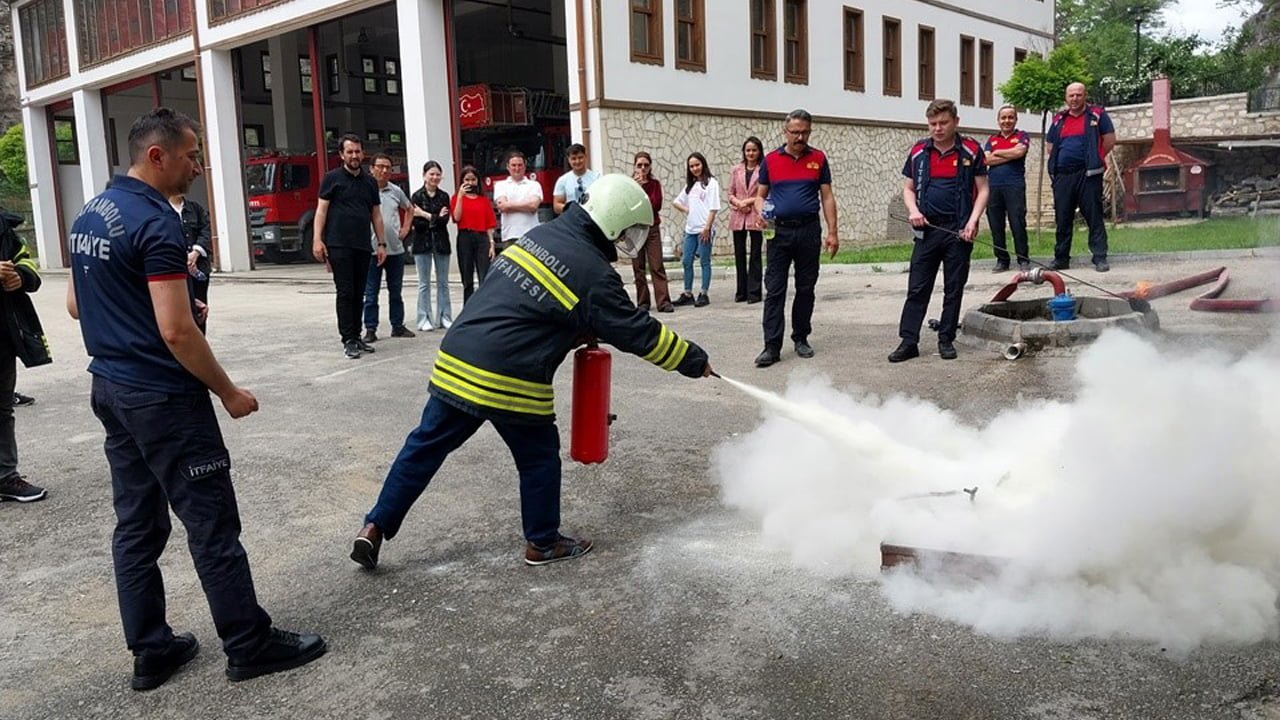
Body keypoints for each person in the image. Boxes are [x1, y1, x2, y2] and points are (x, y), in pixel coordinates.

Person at [64, 107, 325, 690]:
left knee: (136, 525)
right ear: (157, 156)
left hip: (110, 386)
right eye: (191, 155)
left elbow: (79, 306)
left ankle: (151, 650)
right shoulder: (157, 222)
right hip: (162, 397)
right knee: (211, 521)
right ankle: (248, 643)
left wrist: (148, 307)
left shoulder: (90, 214)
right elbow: (178, 332)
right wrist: (228, 391)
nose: (199, 167)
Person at [349, 174, 714, 570]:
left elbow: (532, 303)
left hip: (457, 358)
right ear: (612, 222)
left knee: (423, 447)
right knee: (538, 458)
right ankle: (542, 542)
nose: (627, 238)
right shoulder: (594, 272)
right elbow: (637, 332)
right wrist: (693, 360)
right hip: (511, 376)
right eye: (627, 230)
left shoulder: (540, 236)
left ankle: (374, 526)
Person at [889, 99, 989, 363]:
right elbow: (909, 189)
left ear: (955, 121)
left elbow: (983, 189)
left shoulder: (971, 149)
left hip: (958, 231)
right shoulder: (919, 151)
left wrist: (973, 221)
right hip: (927, 229)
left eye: (943, 123)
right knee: (917, 288)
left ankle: (946, 340)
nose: (938, 128)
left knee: (953, 288)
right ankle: (908, 341)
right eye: (933, 124)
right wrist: (913, 211)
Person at [753, 109, 840, 368]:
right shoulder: (770, 160)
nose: (800, 137)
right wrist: (760, 212)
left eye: (804, 132)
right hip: (778, 232)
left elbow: (827, 197)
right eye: (795, 132)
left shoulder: (818, 159)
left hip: (808, 231)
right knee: (775, 290)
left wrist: (833, 232)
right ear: (785, 132)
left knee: (805, 288)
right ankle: (771, 346)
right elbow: (760, 195)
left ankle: (801, 337)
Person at [312, 134, 387, 359]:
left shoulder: (370, 182)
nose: (354, 156)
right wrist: (317, 239)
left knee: (359, 293)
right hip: (338, 245)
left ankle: (357, 335)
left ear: (363, 154)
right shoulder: (331, 179)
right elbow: (321, 210)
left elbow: (376, 215)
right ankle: (348, 339)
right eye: (350, 151)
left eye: (358, 151)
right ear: (342, 154)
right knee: (345, 292)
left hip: (363, 246)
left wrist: (381, 244)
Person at [0, 208, 50, 504]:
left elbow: (26, 260)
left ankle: (5, 476)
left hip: (4, 335)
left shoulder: (5, 226)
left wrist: (21, 276)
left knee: (2, 408)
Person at [1046, 82, 1116, 272]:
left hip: (1088, 175)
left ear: (1085, 96)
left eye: (1078, 95)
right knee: (1063, 217)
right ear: (1066, 98)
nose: (1074, 99)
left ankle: (1099, 257)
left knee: (1094, 216)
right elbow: (1050, 146)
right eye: (1071, 96)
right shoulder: (1058, 119)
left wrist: (1096, 157)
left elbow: (1109, 139)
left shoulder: (1097, 115)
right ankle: (1061, 258)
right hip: (1063, 176)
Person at [362, 153, 415, 343]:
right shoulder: (364, 189)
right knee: (371, 292)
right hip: (372, 250)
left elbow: (409, 208)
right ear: (371, 168)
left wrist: (406, 227)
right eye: (380, 166)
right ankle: (370, 328)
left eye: (388, 167)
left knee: (396, 290)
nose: (384, 170)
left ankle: (397, 325)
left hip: (395, 249)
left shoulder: (395, 191)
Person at [983, 105, 1031, 272]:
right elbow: (986, 160)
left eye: (1010, 117)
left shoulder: (1022, 136)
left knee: (1017, 223)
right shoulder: (991, 139)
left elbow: (1019, 152)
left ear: (1015, 119)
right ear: (998, 120)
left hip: (1014, 186)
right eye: (1003, 118)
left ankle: (1023, 259)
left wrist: (998, 153)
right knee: (996, 225)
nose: (1006, 121)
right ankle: (1002, 260)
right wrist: (1009, 154)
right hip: (993, 187)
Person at [409, 161, 453, 331]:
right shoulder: (416, 196)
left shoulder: (444, 196)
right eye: (431, 174)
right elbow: (417, 224)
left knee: (443, 283)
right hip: (422, 243)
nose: (435, 177)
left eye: (437, 174)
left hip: (441, 243)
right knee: (424, 283)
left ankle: (444, 317)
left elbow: (444, 221)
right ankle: (423, 319)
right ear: (424, 176)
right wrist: (433, 217)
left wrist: (425, 214)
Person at [672, 152, 719, 308]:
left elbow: (713, 208)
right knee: (686, 261)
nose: (694, 168)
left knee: (704, 261)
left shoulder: (711, 183)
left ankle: (704, 293)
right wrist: (688, 210)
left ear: (703, 164)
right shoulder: (690, 186)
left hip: (704, 229)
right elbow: (676, 202)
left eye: (697, 165)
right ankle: (687, 293)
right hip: (690, 230)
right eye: (691, 166)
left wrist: (707, 227)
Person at [630, 151, 672, 313]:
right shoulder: (629, 185)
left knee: (656, 265)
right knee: (638, 267)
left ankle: (663, 301)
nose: (642, 168)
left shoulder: (654, 184)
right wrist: (636, 187)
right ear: (634, 166)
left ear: (650, 166)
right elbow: (628, 205)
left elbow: (655, 205)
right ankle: (643, 302)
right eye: (639, 165)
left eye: (646, 165)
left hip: (652, 227)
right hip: (634, 229)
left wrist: (643, 190)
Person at [451, 165, 498, 304]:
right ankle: (468, 308)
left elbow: (490, 224)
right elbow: (456, 217)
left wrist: (491, 244)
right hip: (465, 236)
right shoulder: (456, 198)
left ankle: (483, 308)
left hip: (482, 238)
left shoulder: (483, 200)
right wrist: (460, 196)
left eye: (473, 179)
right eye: (467, 179)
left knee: (484, 276)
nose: (470, 183)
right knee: (467, 278)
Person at [728, 137, 765, 304]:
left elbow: (764, 193)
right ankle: (741, 291)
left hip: (755, 214)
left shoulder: (763, 169)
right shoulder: (736, 170)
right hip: (738, 215)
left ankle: (754, 293)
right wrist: (738, 203)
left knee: (755, 254)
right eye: (748, 150)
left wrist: (748, 202)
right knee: (739, 254)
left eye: (754, 150)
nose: (751, 153)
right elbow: (730, 193)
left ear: (759, 152)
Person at [170, 193, 211, 327]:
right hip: (175, 269)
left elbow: (205, 230)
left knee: (200, 308)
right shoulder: (162, 209)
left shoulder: (195, 209)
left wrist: (195, 252)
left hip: (198, 268)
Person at [492, 151, 542, 253]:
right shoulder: (500, 185)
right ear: (507, 167)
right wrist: (526, 205)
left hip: (532, 236)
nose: (517, 168)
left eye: (520, 165)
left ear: (525, 166)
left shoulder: (534, 185)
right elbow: (502, 207)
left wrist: (509, 205)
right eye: (513, 165)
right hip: (510, 236)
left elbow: (533, 206)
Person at [552, 143, 599, 214]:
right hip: (572, 221)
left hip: (592, 218)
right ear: (569, 160)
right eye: (573, 158)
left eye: (580, 157)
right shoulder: (562, 180)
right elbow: (556, 206)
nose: (577, 161)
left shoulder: (596, 177)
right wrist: (572, 210)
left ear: (585, 157)